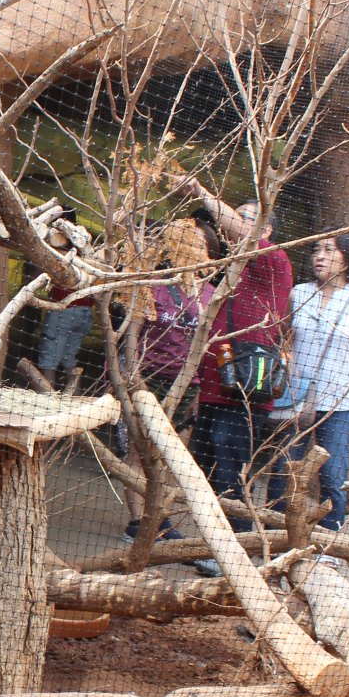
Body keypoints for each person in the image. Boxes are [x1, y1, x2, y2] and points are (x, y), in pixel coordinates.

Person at [181, 189, 294, 576]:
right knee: (209, 472)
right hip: (215, 388)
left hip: (243, 392)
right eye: (237, 215)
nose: (238, 223)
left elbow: (243, 234)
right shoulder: (228, 268)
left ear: (267, 228)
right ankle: (213, 548)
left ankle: (237, 555)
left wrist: (199, 192)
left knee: (234, 474)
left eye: (249, 217)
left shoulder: (273, 261)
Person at [266, 234, 349, 532]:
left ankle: (330, 538)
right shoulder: (299, 293)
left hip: (341, 402)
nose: (320, 256)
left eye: (329, 250)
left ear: (347, 259)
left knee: (333, 474)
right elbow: (282, 339)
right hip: (296, 397)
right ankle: (271, 532)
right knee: (284, 469)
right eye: (317, 249)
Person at [118, 218, 217, 545]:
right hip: (150, 379)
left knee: (176, 455)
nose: (192, 247)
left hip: (189, 384)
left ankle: (161, 518)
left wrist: (203, 388)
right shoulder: (153, 284)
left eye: (199, 242)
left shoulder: (213, 294)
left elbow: (212, 345)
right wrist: (134, 380)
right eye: (185, 239)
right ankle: (138, 521)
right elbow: (132, 334)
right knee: (139, 450)